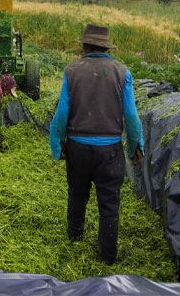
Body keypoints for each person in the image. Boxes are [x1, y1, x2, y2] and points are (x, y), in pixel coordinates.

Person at [49, 24, 144, 266]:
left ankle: (74, 238)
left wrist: (57, 143)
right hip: (110, 152)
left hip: (77, 148)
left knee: (77, 194)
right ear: (105, 47)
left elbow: (62, 113)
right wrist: (135, 146)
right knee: (109, 203)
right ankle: (107, 256)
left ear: (84, 46)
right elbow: (131, 117)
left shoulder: (72, 71)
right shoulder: (122, 72)